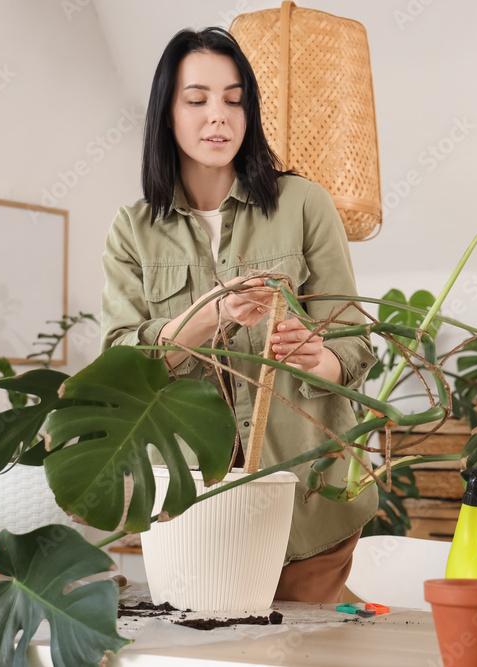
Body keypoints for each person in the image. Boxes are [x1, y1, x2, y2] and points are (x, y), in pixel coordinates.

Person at [100, 26, 378, 603]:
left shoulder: (305, 204)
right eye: (197, 100)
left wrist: (318, 358)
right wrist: (209, 318)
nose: (218, 117)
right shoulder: (132, 229)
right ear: (166, 114)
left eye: (234, 100)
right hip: (188, 509)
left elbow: (355, 346)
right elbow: (120, 364)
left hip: (309, 501)